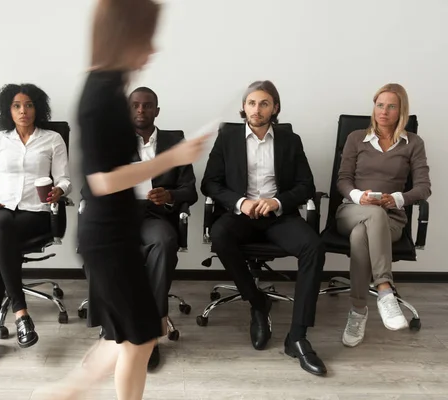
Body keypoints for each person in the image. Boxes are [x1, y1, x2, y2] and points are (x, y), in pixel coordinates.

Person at [47, 1, 207, 399]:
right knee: (139, 336)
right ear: (125, 35)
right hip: (108, 238)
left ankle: (62, 393)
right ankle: (59, 394)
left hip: (116, 233)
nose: (153, 48)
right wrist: (175, 156)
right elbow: (102, 181)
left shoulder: (107, 86)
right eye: (147, 37)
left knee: (133, 337)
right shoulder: (102, 95)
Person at [201, 80, 327, 376]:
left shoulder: (289, 140)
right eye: (252, 103)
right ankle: (258, 302)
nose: (257, 109)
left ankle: (297, 337)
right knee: (219, 235)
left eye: (264, 103)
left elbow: (306, 185)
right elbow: (210, 183)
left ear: (275, 108)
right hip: (240, 214)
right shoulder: (227, 138)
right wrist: (241, 203)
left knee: (313, 247)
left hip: (278, 216)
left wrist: (276, 202)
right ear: (243, 108)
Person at [0, 83, 71, 370]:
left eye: (28, 105)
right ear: (8, 110)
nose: (23, 111)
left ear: (38, 108)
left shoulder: (52, 139)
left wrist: (60, 191)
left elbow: (64, 178)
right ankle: (20, 313)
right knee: (1, 227)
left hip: (34, 214)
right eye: (16, 105)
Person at [336, 83, 431, 347]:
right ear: (374, 107)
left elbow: (424, 187)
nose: (384, 112)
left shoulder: (413, 143)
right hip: (351, 210)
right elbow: (342, 180)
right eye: (380, 105)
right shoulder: (356, 138)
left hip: (391, 218)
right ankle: (384, 290)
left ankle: (357, 311)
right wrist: (359, 196)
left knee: (361, 234)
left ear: (401, 110)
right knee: (369, 216)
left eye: (391, 106)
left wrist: (397, 199)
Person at [129, 86, 198, 370]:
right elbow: (89, 187)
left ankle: (150, 335)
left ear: (157, 111)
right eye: (135, 105)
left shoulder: (175, 141)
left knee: (165, 242)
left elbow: (190, 190)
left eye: (147, 106)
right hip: (120, 218)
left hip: (156, 217)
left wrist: (170, 196)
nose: (141, 110)